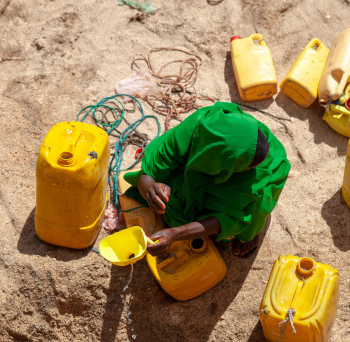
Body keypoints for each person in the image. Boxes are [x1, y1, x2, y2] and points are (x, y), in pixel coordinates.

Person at [124, 101, 290, 257]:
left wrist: (176, 233)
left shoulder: (253, 174)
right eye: (249, 166)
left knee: (253, 213)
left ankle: (249, 235)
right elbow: (149, 173)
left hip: (248, 175)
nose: (253, 168)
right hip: (224, 160)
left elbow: (224, 219)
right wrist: (151, 189)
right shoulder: (200, 127)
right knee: (168, 187)